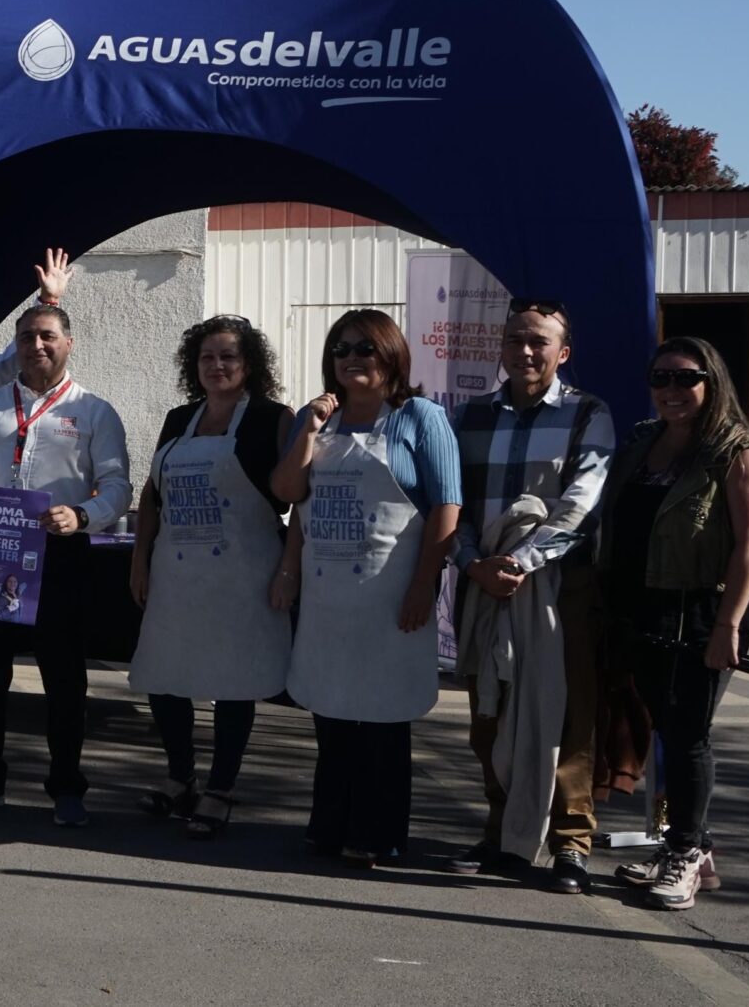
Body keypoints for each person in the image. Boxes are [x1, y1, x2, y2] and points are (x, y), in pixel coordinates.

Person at [273, 309, 462, 869]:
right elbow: (289, 495)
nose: (352, 358)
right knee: (331, 712)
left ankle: (380, 832)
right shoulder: (315, 418)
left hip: (391, 595)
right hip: (328, 599)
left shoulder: (420, 417)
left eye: (365, 348)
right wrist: (308, 431)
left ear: (392, 356)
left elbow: (446, 506)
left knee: (382, 717)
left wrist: (424, 585)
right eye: (341, 349)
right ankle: (329, 824)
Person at [0, 301, 131, 827]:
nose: (36, 345)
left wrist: (83, 515)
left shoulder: (95, 412)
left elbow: (117, 486)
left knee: (63, 681)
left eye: (47, 336)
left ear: (69, 343)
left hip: (60, 555)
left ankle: (66, 787)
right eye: (26, 337)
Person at [444, 300, 618, 892]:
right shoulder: (468, 416)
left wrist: (521, 561)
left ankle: (571, 841)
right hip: (484, 584)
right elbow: (450, 501)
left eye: (538, 341)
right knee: (489, 710)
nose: (524, 350)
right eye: (514, 339)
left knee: (565, 712)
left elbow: (582, 501)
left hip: (559, 588)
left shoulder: (587, 414)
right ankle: (503, 833)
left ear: (562, 352)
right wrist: (474, 563)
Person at [596, 337, 749, 911]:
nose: (671, 389)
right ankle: (690, 844)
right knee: (666, 730)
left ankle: (686, 853)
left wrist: (727, 627)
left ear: (711, 382)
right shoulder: (643, 444)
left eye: (685, 377)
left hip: (700, 615)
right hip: (642, 610)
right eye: (660, 378)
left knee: (688, 735)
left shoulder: (739, 455)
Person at [126, 315, 296, 839]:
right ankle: (181, 777)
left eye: (228, 356)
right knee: (163, 675)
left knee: (234, 681)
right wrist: (140, 559)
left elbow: (298, 499)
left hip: (245, 575)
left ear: (250, 364)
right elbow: (152, 496)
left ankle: (220, 789)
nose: (216, 365)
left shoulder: (274, 418)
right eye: (207, 357)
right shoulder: (180, 418)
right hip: (177, 574)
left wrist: (288, 570)